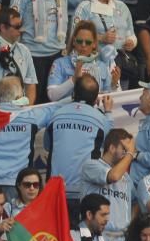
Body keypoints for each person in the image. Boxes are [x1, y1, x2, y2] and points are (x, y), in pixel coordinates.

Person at [45, 76, 113, 213]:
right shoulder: (102, 119)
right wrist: (109, 112)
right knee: (82, 234)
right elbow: (111, 147)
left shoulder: (56, 115)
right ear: (95, 100)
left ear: (73, 94)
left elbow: (47, 146)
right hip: (85, 192)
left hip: (55, 190)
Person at [10, 0, 68, 104]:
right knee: (33, 101)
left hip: (57, 55)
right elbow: (11, 22)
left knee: (54, 101)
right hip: (33, 55)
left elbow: (65, 23)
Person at [71, 0, 138, 72]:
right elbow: (74, 37)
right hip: (94, 67)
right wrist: (101, 38)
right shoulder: (84, 8)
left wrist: (131, 42)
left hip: (121, 65)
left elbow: (132, 34)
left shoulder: (122, 6)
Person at [47, 22, 119, 102]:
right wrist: (74, 79)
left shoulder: (102, 66)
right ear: (74, 41)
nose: (83, 45)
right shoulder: (59, 63)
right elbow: (52, 96)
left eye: (88, 42)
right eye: (79, 41)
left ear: (94, 44)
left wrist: (113, 85)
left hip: (93, 112)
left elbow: (107, 101)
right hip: (67, 111)